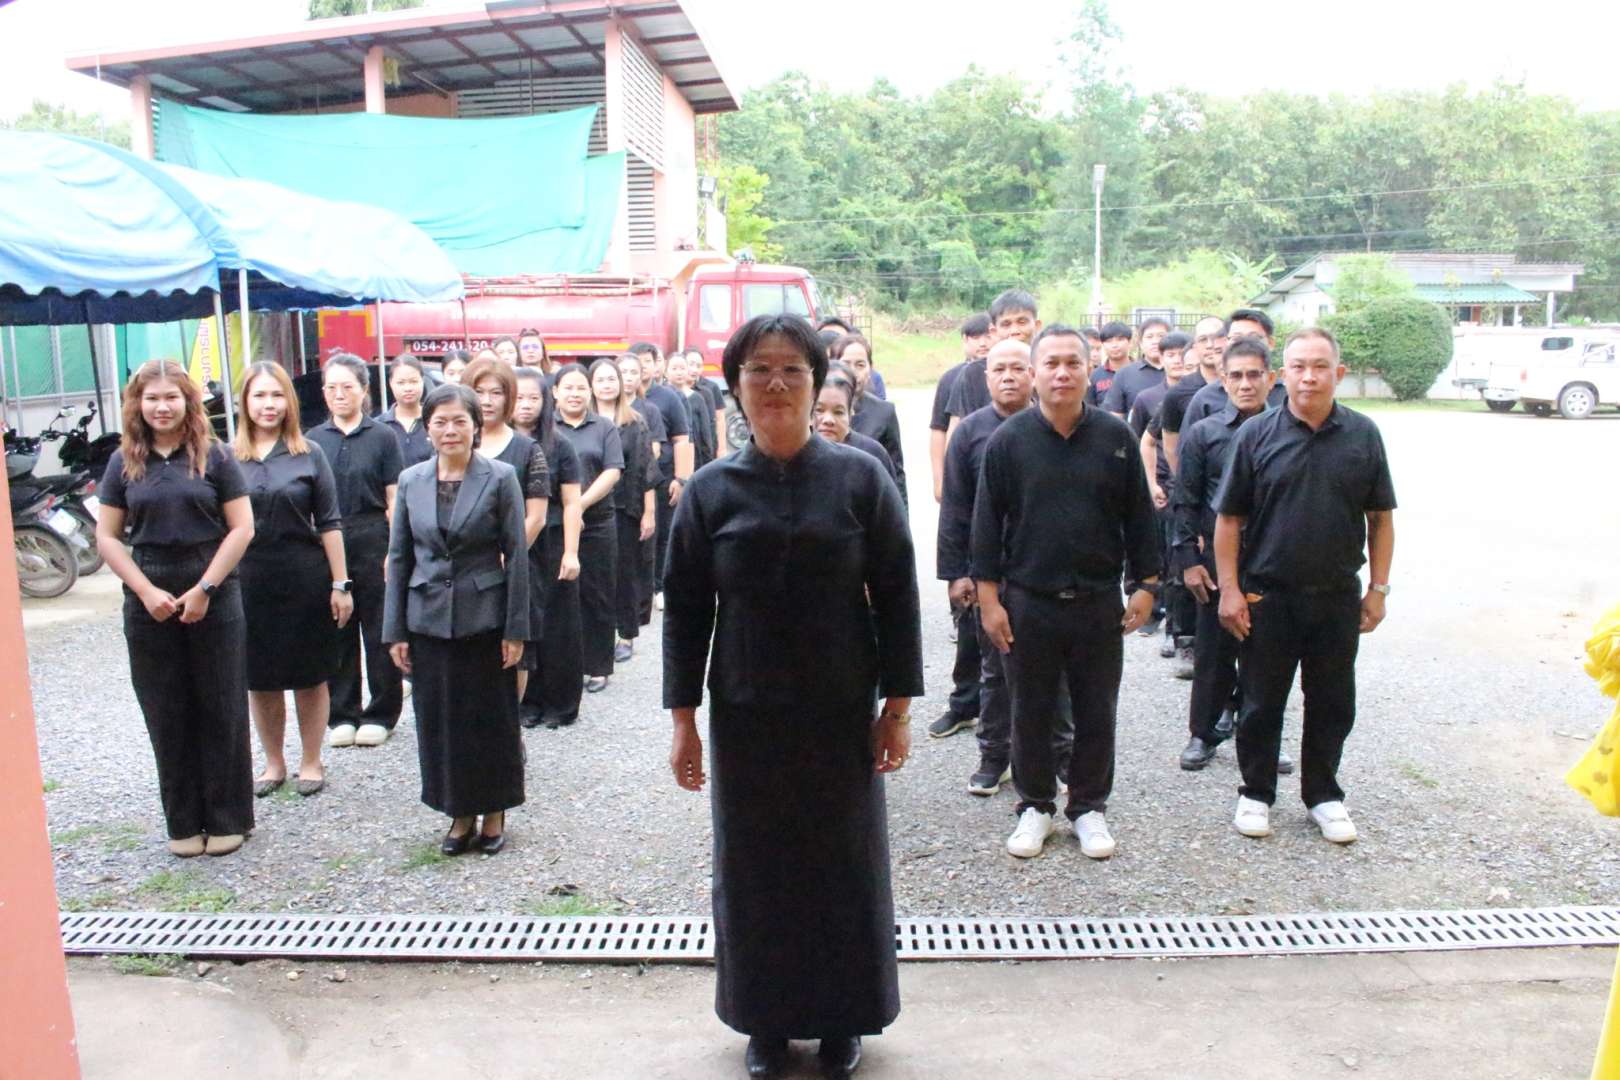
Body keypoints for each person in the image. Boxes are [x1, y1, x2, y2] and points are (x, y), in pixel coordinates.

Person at [665, 313, 922, 1080]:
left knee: (843, 863)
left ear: (817, 383)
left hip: (840, 708)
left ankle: (845, 1017)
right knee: (755, 867)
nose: (775, 383)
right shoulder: (711, 491)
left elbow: (898, 594)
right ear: (736, 387)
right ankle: (766, 1022)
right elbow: (685, 611)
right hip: (746, 710)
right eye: (759, 370)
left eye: (792, 370)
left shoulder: (861, 479)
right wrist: (684, 722)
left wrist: (897, 709)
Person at [973, 325, 1161, 861]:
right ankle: (1035, 804)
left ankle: (1088, 806)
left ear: (1087, 370)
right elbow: (985, 526)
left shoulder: (1116, 438)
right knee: (1029, 708)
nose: (1062, 373)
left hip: (1098, 602)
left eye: (1073, 363)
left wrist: (1146, 585)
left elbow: (1139, 518)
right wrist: (989, 600)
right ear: (1035, 373)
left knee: (1097, 708)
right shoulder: (1008, 441)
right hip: (1027, 601)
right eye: (1051, 364)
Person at [1215, 327, 1396, 845]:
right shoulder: (1256, 436)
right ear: (1282, 375)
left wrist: (1378, 588)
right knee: (1260, 702)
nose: (1309, 377)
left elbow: (1381, 519)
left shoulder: (1363, 435)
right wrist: (1230, 589)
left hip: (1336, 596)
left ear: (1339, 373)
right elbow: (1229, 519)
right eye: (1298, 367)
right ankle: (1256, 793)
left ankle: (1324, 795)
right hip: (1267, 595)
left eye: (1320, 366)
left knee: (1333, 701)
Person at [95, 360, 256, 858]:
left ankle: (229, 817)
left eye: (171, 397)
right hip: (149, 593)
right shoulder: (123, 462)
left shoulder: (216, 456)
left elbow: (242, 528)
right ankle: (183, 820)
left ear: (189, 402)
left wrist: (205, 588)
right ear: (137, 404)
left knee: (222, 705)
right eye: (152, 398)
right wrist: (145, 590)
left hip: (214, 588)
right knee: (166, 710)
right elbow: (107, 536)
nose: (161, 407)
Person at [384, 382, 530, 856]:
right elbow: (399, 557)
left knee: (489, 719)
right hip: (427, 619)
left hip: (485, 618)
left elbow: (517, 555)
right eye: (440, 422)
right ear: (427, 428)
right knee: (441, 722)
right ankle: (458, 812)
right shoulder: (411, 480)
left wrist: (516, 629)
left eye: (459, 421)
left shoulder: (501, 477)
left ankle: (494, 811)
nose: (450, 430)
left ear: (475, 425)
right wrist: (394, 630)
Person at [939, 339, 1077, 796]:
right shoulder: (970, 433)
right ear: (986, 378)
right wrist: (957, 573)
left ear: (1032, 373)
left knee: (1056, 672)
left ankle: (1062, 757)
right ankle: (994, 756)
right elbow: (955, 507)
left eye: (1018, 368)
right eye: (999, 369)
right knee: (995, 670)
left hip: (1045, 573)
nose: (1009, 377)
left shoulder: (1056, 426)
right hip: (989, 575)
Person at [234, 362, 351, 801]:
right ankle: (273, 762)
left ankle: (311, 759)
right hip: (249, 581)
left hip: (304, 577)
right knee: (260, 678)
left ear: (290, 401)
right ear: (245, 402)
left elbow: (330, 522)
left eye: (277, 395)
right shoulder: (227, 457)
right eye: (260, 395)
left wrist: (341, 584)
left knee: (309, 674)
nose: (269, 404)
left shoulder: (310, 453)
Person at [1174, 338, 1286, 772]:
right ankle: (1202, 734)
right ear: (1223, 380)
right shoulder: (1204, 433)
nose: (1245, 384)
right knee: (1213, 653)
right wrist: (1188, 560)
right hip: (1216, 559)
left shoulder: (1287, 430)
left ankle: (1262, 737)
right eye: (1236, 375)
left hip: (1272, 559)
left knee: (1269, 656)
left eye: (1254, 375)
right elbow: (1185, 499)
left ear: (1270, 379)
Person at [307, 354, 404, 749]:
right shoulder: (313, 439)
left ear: (364, 390)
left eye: (347, 386)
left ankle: (382, 712)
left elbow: (395, 497)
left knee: (380, 628)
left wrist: (395, 549)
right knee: (336, 626)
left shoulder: (383, 436)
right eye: (331, 387)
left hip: (373, 534)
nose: (339, 394)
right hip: (328, 539)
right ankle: (342, 713)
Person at [464, 358, 550, 704]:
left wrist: (504, 557)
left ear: (509, 397)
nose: (486, 401)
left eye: (496, 392)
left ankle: (509, 724)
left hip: (514, 565)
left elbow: (536, 517)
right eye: (478, 391)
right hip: (463, 569)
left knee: (514, 652)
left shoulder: (527, 449)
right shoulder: (452, 444)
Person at [512, 366, 585, 729]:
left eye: (533, 397)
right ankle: (528, 701)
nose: (526, 404)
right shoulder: (495, 444)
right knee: (524, 622)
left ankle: (561, 704)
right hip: (513, 542)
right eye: (519, 397)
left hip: (553, 540)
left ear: (545, 401)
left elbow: (572, 503)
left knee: (558, 625)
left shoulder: (560, 445)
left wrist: (571, 552)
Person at [554, 363, 624, 694]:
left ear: (590, 392)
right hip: (556, 522)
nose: (575, 394)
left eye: (581, 388)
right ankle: (566, 666)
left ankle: (598, 666)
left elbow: (613, 471)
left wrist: (578, 505)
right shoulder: (546, 428)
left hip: (597, 522)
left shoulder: (604, 427)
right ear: (555, 392)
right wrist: (567, 511)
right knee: (562, 595)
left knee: (598, 593)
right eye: (568, 388)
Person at [1130, 331, 1193, 663]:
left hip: (1211, 492)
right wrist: (1152, 483)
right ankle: (1174, 630)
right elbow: (1144, 440)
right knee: (1172, 561)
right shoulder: (1162, 398)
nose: (1180, 362)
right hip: (1171, 490)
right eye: (1173, 355)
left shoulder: (1220, 393)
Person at [590, 357, 657, 664]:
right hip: (587, 509)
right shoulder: (581, 421)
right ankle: (596, 635)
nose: (607, 385)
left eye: (611, 379)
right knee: (593, 575)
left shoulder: (635, 422)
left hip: (624, 508)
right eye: (600, 379)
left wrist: (648, 512)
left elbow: (646, 470)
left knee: (624, 573)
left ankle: (626, 634)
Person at [628, 341, 693, 614]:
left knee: (664, 533)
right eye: (637, 361)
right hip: (630, 482)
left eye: (647, 361)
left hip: (663, 476)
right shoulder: (620, 397)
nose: (642, 367)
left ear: (656, 365)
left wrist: (682, 478)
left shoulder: (668, 398)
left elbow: (682, 439)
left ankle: (660, 587)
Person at [944, 289, 1041, 443]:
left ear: (1037, 325)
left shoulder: (1050, 370)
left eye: (1022, 322)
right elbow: (961, 428)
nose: (1014, 331)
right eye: (1006, 324)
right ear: (994, 331)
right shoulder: (973, 374)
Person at [1182, 309, 1288, 432]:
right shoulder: (1205, 398)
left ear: (1271, 343)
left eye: (1254, 338)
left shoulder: (1287, 395)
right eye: (1237, 339)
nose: (1245, 344)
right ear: (1226, 343)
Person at [831, 333, 906, 505]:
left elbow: (896, 474)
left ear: (870, 369)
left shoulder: (884, 412)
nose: (853, 371)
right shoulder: (815, 409)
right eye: (846, 363)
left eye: (860, 365)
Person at [620, 352, 667, 627]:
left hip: (638, 488)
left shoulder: (648, 410)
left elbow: (655, 450)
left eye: (632, 373)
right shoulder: (595, 409)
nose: (627, 378)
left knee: (637, 558)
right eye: (622, 372)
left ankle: (633, 621)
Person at [1151, 315, 1226, 476]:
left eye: (1216, 338)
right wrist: (1185, 482)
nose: (1210, 345)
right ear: (1195, 346)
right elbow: (1171, 448)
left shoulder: (1244, 385)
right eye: (1203, 339)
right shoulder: (1177, 393)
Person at [929, 313, 992, 503]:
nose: (983, 343)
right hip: (963, 465)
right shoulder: (950, 378)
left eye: (988, 336)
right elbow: (939, 429)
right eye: (976, 337)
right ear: (965, 340)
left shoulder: (1008, 374)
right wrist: (939, 481)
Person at [814, 368, 898, 480]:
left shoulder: (873, 454)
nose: (828, 420)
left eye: (838, 412)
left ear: (850, 413)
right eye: (819, 410)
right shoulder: (794, 453)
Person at [1103, 317, 1170, 418]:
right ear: (1141, 343)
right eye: (1149, 337)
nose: (1155, 341)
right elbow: (1115, 417)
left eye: (1161, 336)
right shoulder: (1124, 374)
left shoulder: (1182, 372)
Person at [378, 354, 432, 469]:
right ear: (391, 383)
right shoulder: (379, 426)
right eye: (401, 383)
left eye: (413, 381)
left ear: (422, 381)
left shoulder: (434, 422)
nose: (408, 388)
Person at [668, 351, 718, 470]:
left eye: (682, 368)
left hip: (694, 459)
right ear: (666, 371)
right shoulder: (661, 397)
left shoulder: (697, 398)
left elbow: (706, 434)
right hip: (667, 459)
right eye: (674, 368)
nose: (679, 372)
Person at [685, 348, 728, 456]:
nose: (694, 370)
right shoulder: (674, 388)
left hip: (706, 447)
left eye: (699, 366)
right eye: (691, 364)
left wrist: (722, 449)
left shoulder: (711, 388)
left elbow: (720, 419)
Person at [1087, 321, 1132, 407]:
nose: (1114, 345)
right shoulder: (1095, 375)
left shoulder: (1141, 372)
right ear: (1103, 345)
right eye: (1109, 341)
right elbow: (1090, 408)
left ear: (1130, 342)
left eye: (1120, 340)